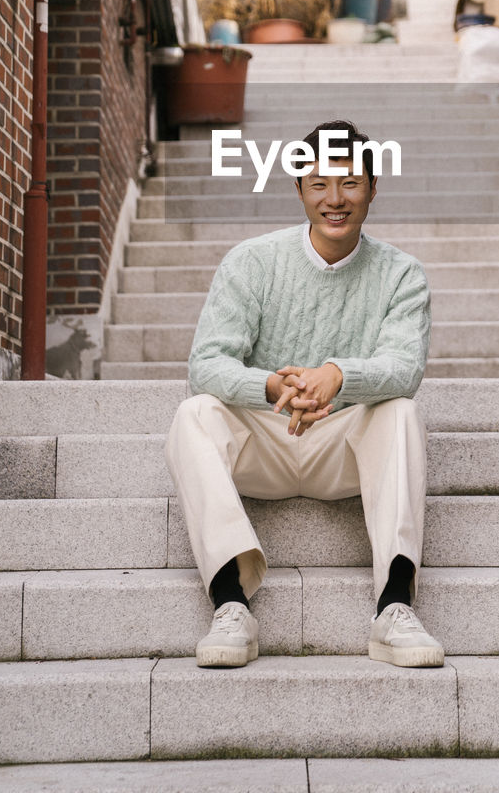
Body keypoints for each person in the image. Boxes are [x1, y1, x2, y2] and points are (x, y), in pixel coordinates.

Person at [164, 118, 443, 669]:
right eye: (319, 184)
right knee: (194, 413)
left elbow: (404, 367)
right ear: (298, 189)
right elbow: (207, 364)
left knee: (402, 414)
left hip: (342, 445)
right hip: (267, 438)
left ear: (372, 187)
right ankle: (230, 603)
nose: (334, 199)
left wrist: (337, 375)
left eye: (350, 183)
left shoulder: (403, 274)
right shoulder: (252, 261)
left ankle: (394, 608)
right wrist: (272, 384)